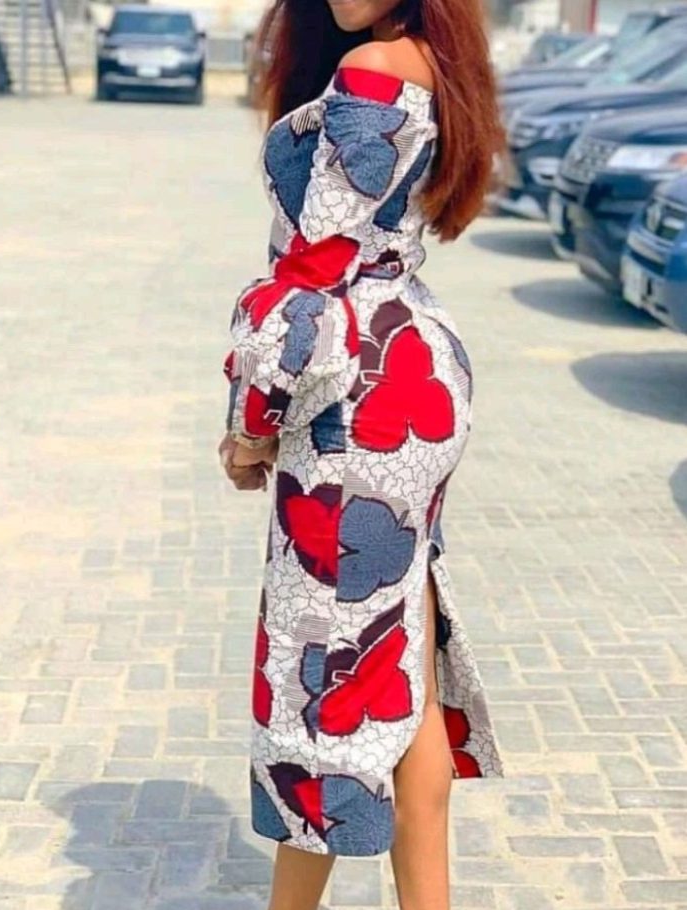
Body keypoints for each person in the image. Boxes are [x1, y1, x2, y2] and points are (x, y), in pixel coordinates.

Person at [218, 1, 505, 908]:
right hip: (409, 373)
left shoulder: (374, 70)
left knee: (324, 688)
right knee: (397, 660)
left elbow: (314, 271)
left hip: (355, 399)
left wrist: (252, 419)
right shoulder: (434, 63)